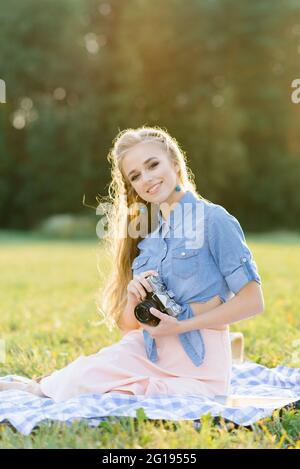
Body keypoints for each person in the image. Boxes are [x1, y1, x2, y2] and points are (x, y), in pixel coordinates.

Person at [0, 126, 264, 402]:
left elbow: (252, 301)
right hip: (146, 352)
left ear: (174, 163)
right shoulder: (148, 238)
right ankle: (42, 386)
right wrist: (131, 299)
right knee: (78, 383)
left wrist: (181, 326)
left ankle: (44, 386)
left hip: (198, 367)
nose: (147, 179)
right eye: (135, 176)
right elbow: (130, 327)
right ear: (132, 186)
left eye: (153, 165)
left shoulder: (213, 220)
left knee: (107, 392)